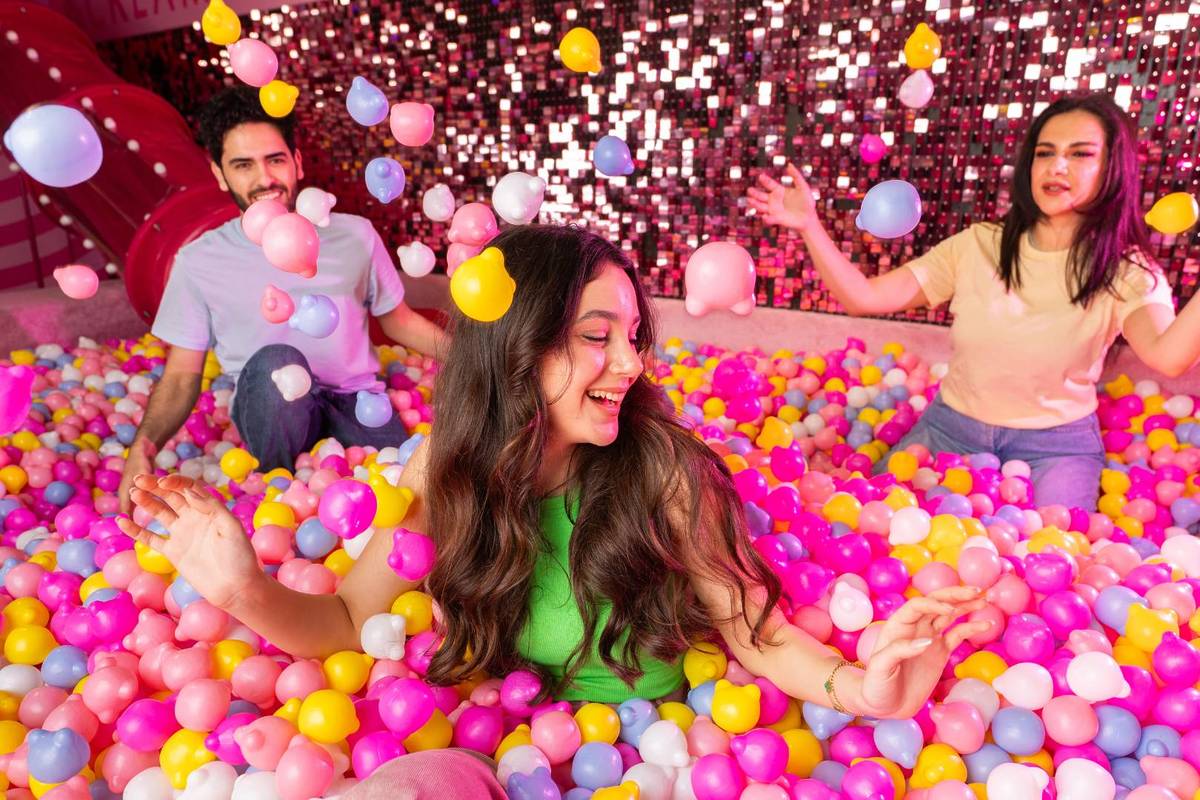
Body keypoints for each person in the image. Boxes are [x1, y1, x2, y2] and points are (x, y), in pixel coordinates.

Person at [119, 225, 991, 795]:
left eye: (634, 337)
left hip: (667, 754)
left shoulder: (662, 469)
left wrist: (862, 691)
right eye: (597, 336)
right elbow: (351, 620)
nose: (632, 364)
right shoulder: (441, 468)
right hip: (496, 749)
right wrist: (241, 592)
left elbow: (753, 629)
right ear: (519, 343)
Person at [748, 93, 1200, 511]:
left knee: (1055, 563)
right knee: (871, 519)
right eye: (1045, 152)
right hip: (952, 429)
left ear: (1112, 168)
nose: (1057, 166)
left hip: (1056, 446)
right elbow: (863, 297)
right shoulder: (979, 245)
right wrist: (809, 224)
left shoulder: (1126, 270)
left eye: (1080, 153)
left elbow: (1169, 355)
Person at [117, 86, 446, 512]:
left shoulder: (354, 235)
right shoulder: (199, 259)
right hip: (272, 406)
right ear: (218, 173)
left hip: (357, 402)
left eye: (275, 159)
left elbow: (400, 322)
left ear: (297, 161)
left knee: (408, 497)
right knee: (279, 364)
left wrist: (480, 358)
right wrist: (141, 448)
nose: (265, 179)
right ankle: (281, 494)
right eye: (242, 165)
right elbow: (182, 375)